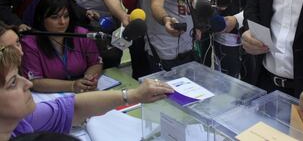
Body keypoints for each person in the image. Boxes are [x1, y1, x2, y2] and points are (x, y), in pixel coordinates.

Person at [0, 44, 173, 140]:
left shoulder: (20, 121)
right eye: (13, 82)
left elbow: (74, 108)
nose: (28, 83)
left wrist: (133, 95)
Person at [20, 0, 102, 93]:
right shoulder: (29, 43)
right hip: (50, 97)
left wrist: (88, 80)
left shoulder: (82, 34)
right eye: (55, 18)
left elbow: (96, 63)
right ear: (41, 19)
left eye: (66, 16)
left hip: (82, 92)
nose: (62, 22)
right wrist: (72, 85)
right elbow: (34, 81)